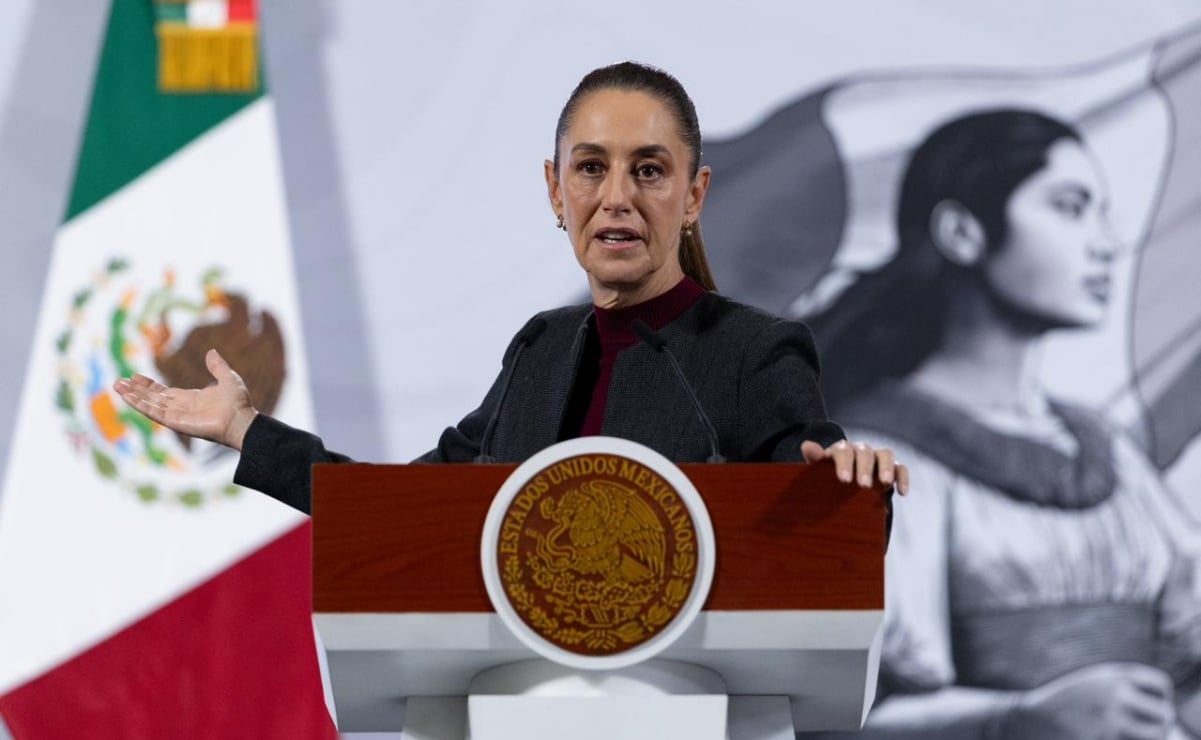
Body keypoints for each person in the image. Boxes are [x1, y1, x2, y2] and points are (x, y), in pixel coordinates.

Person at [112, 61, 908, 516]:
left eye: (649, 170)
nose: (617, 197)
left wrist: (849, 488)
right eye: (590, 168)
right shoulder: (541, 352)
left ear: (694, 195)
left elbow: (810, 493)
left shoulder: (752, 350)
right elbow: (407, 510)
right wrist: (247, 431)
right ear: (556, 191)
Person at [802, 109, 1201, 739]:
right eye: (1069, 208)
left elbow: (1186, 655)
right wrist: (1020, 719)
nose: (1105, 243)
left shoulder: (1106, 450)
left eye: (1101, 213)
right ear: (963, 232)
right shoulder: (869, 458)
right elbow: (835, 716)